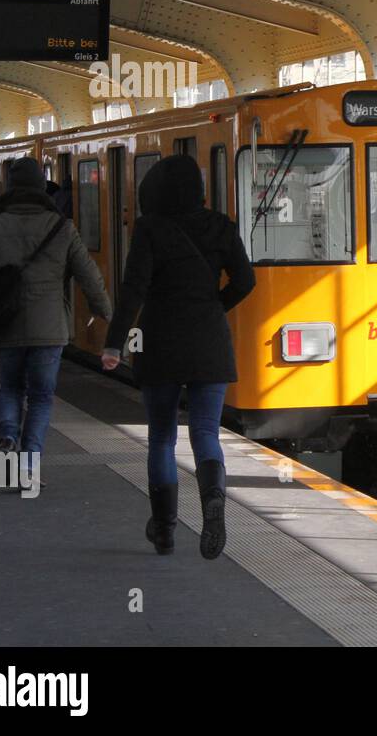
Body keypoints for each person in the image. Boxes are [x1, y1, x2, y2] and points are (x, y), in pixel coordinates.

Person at [102, 154, 255, 558]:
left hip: (161, 343)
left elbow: (133, 289)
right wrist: (215, 306)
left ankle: (166, 530)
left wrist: (115, 343)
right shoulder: (221, 226)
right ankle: (213, 501)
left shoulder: (150, 229)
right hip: (209, 342)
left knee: (162, 439)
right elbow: (246, 280)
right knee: (205, 432)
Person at [0, 158, 112, 487]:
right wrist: (106, 311)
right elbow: (89, 276)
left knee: (10, 388)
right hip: (49, 328)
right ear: (41, 187)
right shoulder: (61, 227)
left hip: (7, 325)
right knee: (42, 398)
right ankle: (29, 467)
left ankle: (6, 438)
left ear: (10, 188)